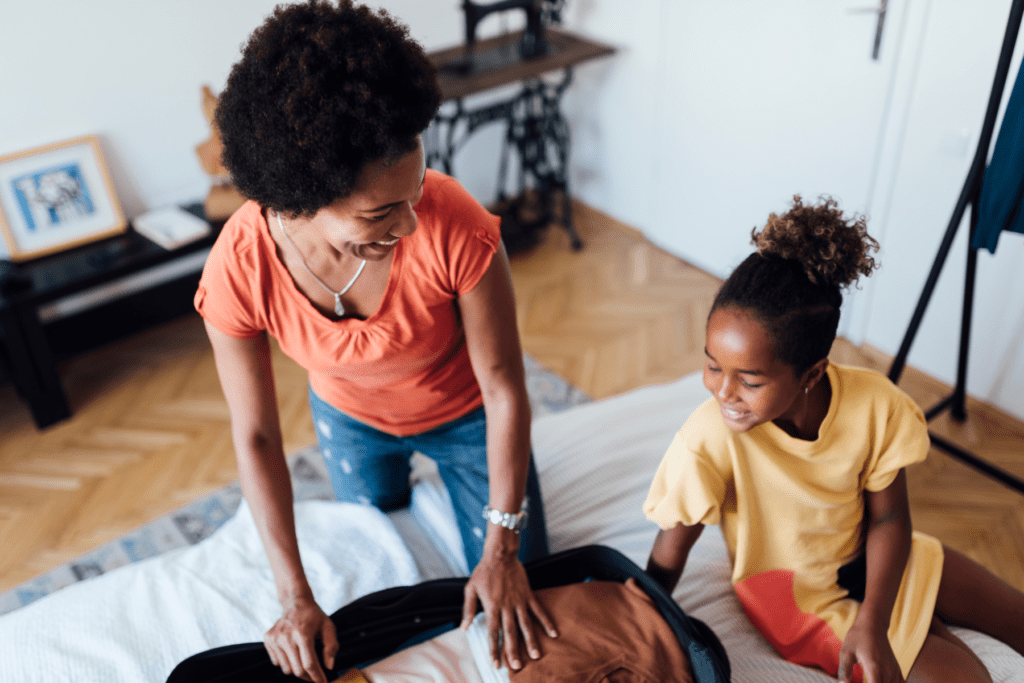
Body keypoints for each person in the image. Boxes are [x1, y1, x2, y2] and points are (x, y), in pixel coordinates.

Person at [195, 3, 556, 682]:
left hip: (466, 415)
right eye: (381, 212)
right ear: (297, 198)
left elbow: (505, 385)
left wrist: (501, 547)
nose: (412, 222)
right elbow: (258, 438)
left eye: (416, 188)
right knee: (376, 555)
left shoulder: (458, 226)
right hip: (351, 421)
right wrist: (295, 597)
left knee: (531, 579)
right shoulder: (238, 266)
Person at [642, 196, 1024, 683]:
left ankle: (919, 626)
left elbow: (889, 518)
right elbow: (671, 547)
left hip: (871, 555)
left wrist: (875, 619)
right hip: (796, 595)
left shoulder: (875, 405)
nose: (723, 391)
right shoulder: (709, 436)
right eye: (713, 366)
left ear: (812, 372)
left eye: (750, 381)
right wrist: (641, 614)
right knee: (966, 677)